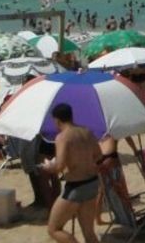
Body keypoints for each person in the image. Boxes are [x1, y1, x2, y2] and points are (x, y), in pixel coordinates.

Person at [43, 103, 102, 243]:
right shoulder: (86, 131)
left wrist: (48, 167)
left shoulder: (63, 137)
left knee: (54, 229)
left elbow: (60, 166)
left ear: (57, 120)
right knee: (89, 232)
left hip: (76, 186)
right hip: (92, 182)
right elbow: (98, 155)